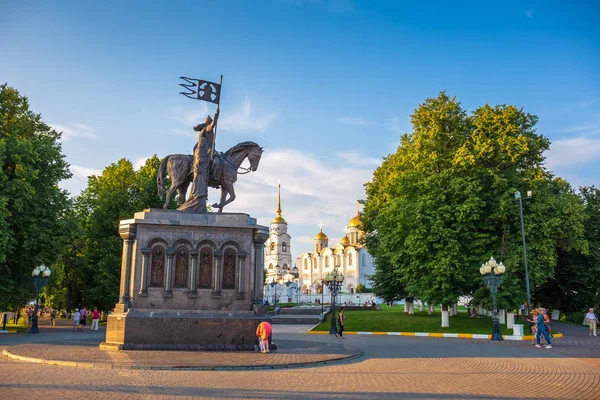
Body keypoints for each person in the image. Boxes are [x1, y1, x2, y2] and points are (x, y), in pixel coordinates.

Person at [178, 110, 219, 213]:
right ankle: (214, 178)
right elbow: (213, 125)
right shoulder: (208, 128)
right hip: (207, 152)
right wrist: (216, 117)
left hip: (203, 152)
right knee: (217, 160)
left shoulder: (202, 132)